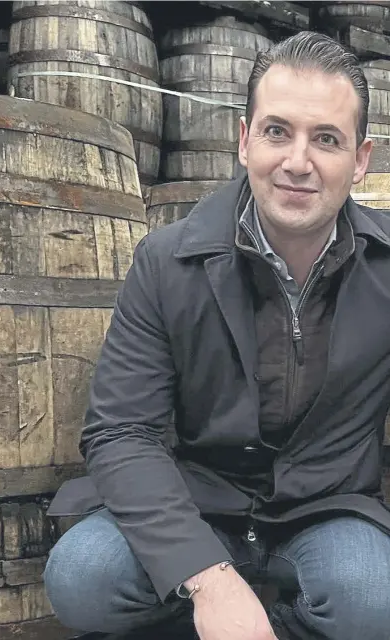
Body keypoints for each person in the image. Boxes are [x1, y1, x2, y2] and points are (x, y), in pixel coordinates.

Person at [43, 30, 390, 640]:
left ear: (361, 159)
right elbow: (121, 430)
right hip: (195, 498)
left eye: (327, 139)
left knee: (374, 600)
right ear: (244, 139)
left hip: (327, 507)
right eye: (277, 131)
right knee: (84, 577)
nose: (298, 162)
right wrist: (207, 577)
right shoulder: (166, 259)